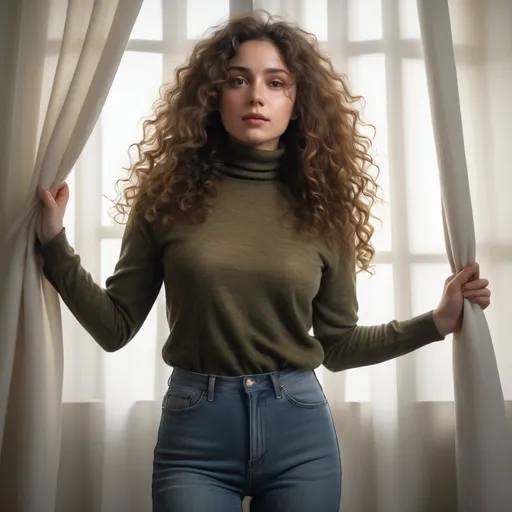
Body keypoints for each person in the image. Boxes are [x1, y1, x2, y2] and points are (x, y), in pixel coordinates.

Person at [35, 11, 491, 512]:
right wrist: (55, 244)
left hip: (301, 436)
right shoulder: (165, 200)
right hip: (195, 438)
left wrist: (436, 322)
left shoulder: (325, 209)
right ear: (214, 95)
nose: (256, 96)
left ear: (296, 104)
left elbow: (337, 346)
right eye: (238, 80)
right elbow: (115, 326)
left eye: (276, 83)